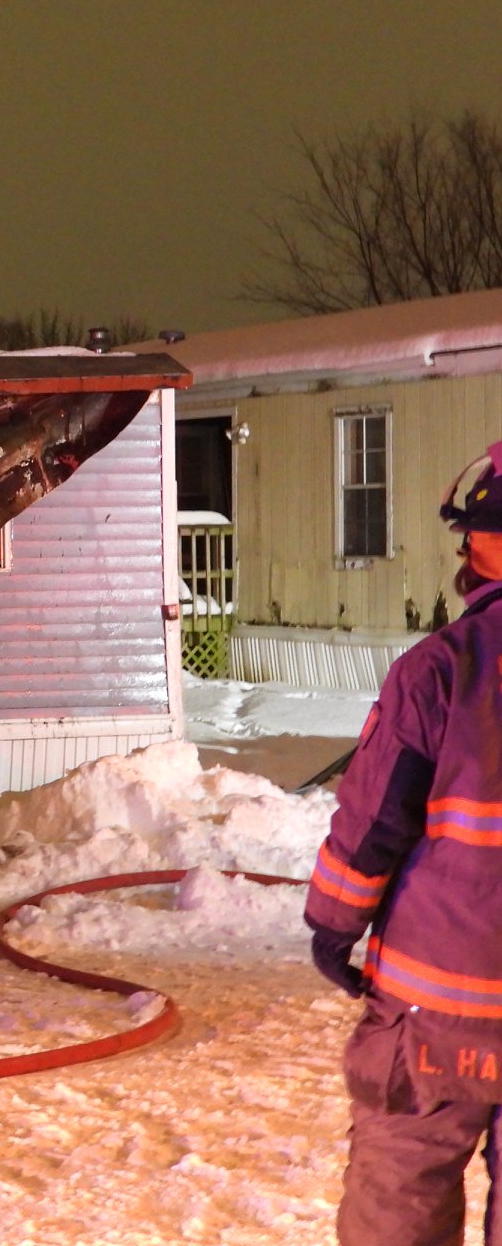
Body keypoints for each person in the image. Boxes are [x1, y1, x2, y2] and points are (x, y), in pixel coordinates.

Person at [306, 439, 502, 1246]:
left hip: (439, 1008)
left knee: (401, 1193)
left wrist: (333, 925)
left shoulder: (442, 668)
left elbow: (372, 820)